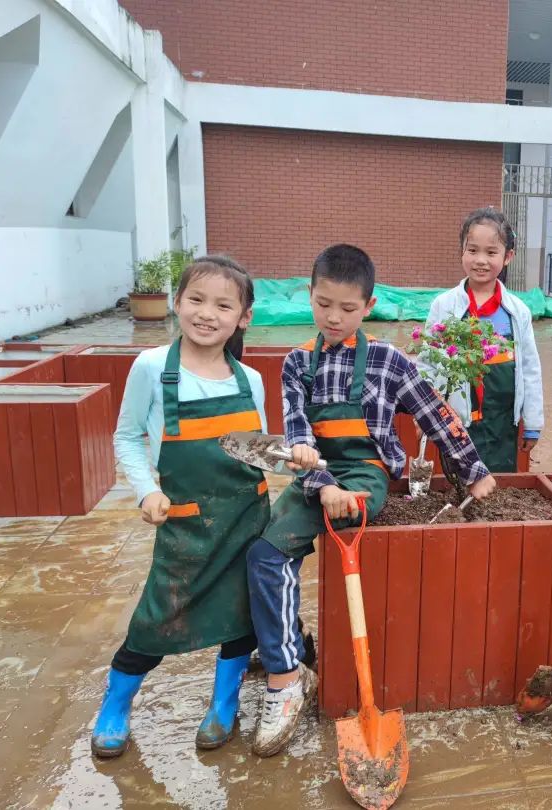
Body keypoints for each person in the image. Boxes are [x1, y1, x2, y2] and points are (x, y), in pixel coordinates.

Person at [246, 244, 497, 756]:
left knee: (352, 514)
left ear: (369, 305)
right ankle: (287, 672)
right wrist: (321, 486)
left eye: (347, 308)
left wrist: (474, 473)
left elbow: (435, 414)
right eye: (323, 304)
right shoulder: (296, 364)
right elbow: (298, 438)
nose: (333, 317)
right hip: (315, 474)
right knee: (263, 555)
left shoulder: (388, 360)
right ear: (308, 298)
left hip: (366, 474)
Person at [92, 256, 319, 757]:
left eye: (223, 305)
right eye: (196, 300)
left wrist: (297, 456)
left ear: (243, 317)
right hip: (186, 526)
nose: (206, 314)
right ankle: (115, 705)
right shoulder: (153, 368)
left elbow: (258, 452)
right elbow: (128, 437)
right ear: (177, 303)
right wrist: (146, 491)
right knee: (154, 622)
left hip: (246, 518)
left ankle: (223, 705)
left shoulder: (250, 380)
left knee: (241, 620)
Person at [425, 207, 544, 472]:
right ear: (461, 252)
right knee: (457, 477)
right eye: (472, 250)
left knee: (501, 484)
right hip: (457, 419)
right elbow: (428, 363)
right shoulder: (443, 306)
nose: (481, 260)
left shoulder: (518, 310)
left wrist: (533, 424)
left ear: (508, 256)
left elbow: (531, 370)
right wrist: (425, 411)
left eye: (491, 253)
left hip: (503, 421)